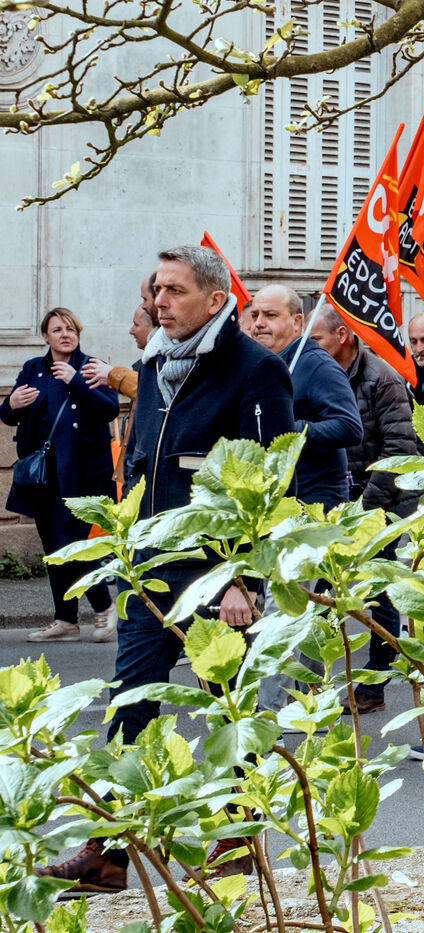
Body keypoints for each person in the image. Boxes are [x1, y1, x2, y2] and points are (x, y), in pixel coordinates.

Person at [42, 246, 294, 895]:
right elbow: (143, 465)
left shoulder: (257, 369)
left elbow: (271, 482)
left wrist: (244, 578)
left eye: (175, 290)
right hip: (149, 573)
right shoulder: (153, 363)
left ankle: (235, 842)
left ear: (215, 300)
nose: (160, 301)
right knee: (131, 705)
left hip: (216, 574)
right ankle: (109, 851)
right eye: (157, 289)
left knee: (228, 709)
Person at [308, 308, 420, 715]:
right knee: (320, 591)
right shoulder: (318, 373)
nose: (309, 348)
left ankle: (374, 685)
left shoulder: (382, 378)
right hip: (335, 502)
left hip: (381, 504)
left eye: (316, 340)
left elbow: (400, 450)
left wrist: (365, 510)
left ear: (343, 335)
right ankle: (314, 682)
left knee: (379, 593)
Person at [2, 307, 120, 643]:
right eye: (57, 330)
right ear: (45, 336)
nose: (65, 335)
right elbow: (8, 415)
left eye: (71, 329)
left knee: (72, 546)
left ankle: (103, 606)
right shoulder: (33, 369)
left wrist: (76, 382)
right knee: (53, 549)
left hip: (84, 476)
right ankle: (66, 621)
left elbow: (109, 408)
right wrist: (11, 404)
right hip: (43, 477)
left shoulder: (91, 366)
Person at [245, 286, 362, 508]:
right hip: (276, 501)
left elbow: (349, 427)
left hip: (314, 506)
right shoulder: (263, 365)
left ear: (297, 322)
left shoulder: (318, 365)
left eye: (270, 315)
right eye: (254, 315)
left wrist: (287, 431)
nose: (258, 323)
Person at [82, 273, 157, 493]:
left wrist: (114, 374)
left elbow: (150, 389)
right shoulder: (147, 362)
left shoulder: (163, 359)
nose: (131, 331)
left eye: (136, 325)